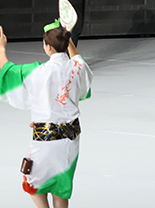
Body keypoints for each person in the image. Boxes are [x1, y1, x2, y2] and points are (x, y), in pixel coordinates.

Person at [0, 22, 92, 206]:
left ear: (48, 47)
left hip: (45, 141)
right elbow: (77, 60)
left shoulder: (37, 71)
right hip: (71, 140)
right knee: (62, 187)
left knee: (32, 184)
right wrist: (68, 37)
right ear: (66, 44)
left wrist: (1, 48)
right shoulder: (78, 67)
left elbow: (7, 72)